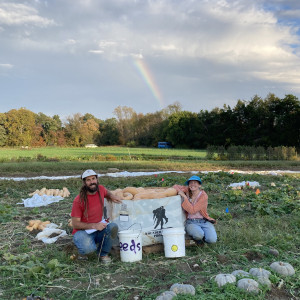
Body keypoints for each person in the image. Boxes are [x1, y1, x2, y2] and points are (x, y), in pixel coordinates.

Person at [71, 169, 122, 263]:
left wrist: (112, 196)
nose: (92, 182)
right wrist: (94, 225)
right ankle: (80, 249)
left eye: (93, 179)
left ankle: (103, 254)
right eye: (88, 180)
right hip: (82, 232)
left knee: (112, 227)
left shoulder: (101, 189)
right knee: (89, 249)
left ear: (97, 179)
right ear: (84, 183)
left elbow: (107, 192)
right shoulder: (79, 200)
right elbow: (75, 224)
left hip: (97, 229)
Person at [175, 175, 217, 245]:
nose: (192, 184)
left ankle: (202, 237)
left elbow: (192, 210)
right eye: (190, 183)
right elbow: (175, 186)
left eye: (195, 183)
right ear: (188, 185)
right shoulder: (187, 191)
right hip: (191, 222)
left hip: (203, 221)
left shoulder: (203, 196)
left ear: (199, 185)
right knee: (198, 235)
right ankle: (199, 239)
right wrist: (180, 191)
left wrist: (184, 197)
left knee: (212, 240)